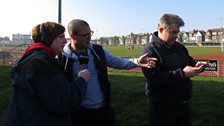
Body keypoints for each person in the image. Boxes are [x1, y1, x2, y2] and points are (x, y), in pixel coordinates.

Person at [57, 19, 157, 126]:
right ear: (73, 36)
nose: (89, 37)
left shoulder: (98, 50)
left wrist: (137, 61)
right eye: (85, 35)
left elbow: (118, 62)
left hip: (103, 110)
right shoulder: (62, 58)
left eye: (90, 33)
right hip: (79, 113)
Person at [4, 22, 90, 126]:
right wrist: (82, 80)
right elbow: (65, 103)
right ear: (48, 39)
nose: (65, 41)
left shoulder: (33, 58)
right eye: (61, 37)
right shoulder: (43, 64)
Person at [141, 13, 207, 126]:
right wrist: (182, 74)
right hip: (162, 108)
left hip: (183, 104)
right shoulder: (150, 50)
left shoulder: (180, 47)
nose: (177, 36)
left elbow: (188, 61)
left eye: (178, 32)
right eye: (173, 32)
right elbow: (155, 79)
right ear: (161, 29)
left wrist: (196, 64)